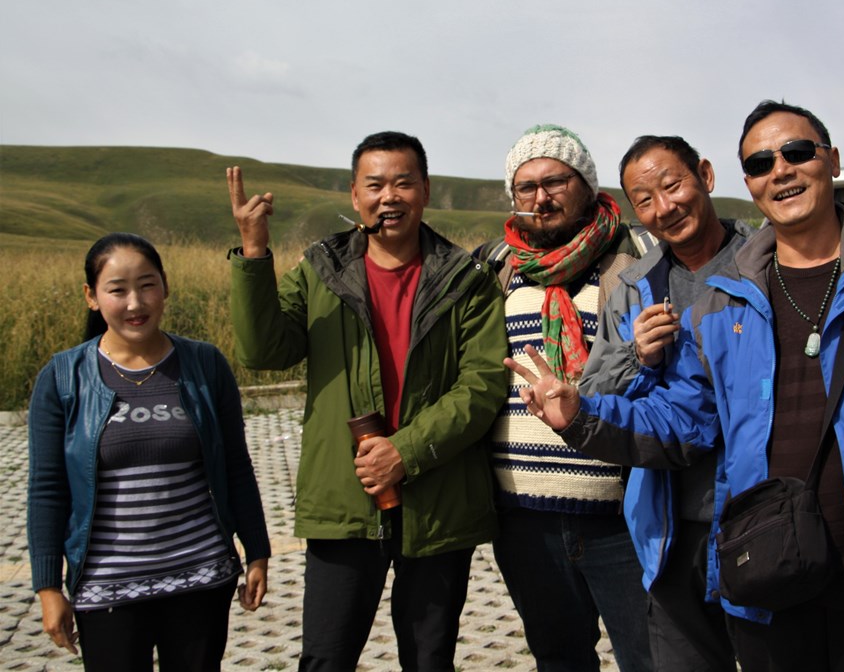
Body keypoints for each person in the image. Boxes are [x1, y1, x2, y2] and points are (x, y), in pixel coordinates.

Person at [506, 101, 844, 671]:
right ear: (748, 182)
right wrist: (581, 414)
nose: (781, 170)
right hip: (772, 572)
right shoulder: (726, 302)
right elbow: (686, 420)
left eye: (797, 153)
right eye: (760, 162)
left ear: (833, 161)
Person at [227, 131, 507, 671]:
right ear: (355, 195)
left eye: (404, 183)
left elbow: (483, 385)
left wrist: (405, 451)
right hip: (344, 503)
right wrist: (254, 252)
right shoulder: (320, 270)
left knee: (429, 660)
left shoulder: (465, 279)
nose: (390, 197)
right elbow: (264, 350)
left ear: (425, 190)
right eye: (375, 184)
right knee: (326, 658)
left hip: (437, 501)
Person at [27, 232, 270, 671]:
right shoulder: (63, 377)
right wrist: (48, 588)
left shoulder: (204, 364)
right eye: (117, 290)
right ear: (92, 297)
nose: (135, 303)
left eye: (147, 285)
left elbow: (235, 464)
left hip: (200, 578)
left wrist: (257, 550)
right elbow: (47, 489)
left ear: (165, 287)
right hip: (106, 589)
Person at [476, 124, 653, 671]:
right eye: (525, 187)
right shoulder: (494, 267)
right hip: (525, 519)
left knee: (650, 658)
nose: (540, 198)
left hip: (622, 515)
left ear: (587, 185)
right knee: (559, 660)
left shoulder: (638, 256)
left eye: (555, 181)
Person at [577, 135, 752, 671]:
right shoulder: (634, 286)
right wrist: (637, 356)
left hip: (759, 518)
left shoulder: (765, 267)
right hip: (669, 528)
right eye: (645, 199)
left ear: (705, 174)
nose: (664, 207)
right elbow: (595, 397)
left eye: (672, 185)